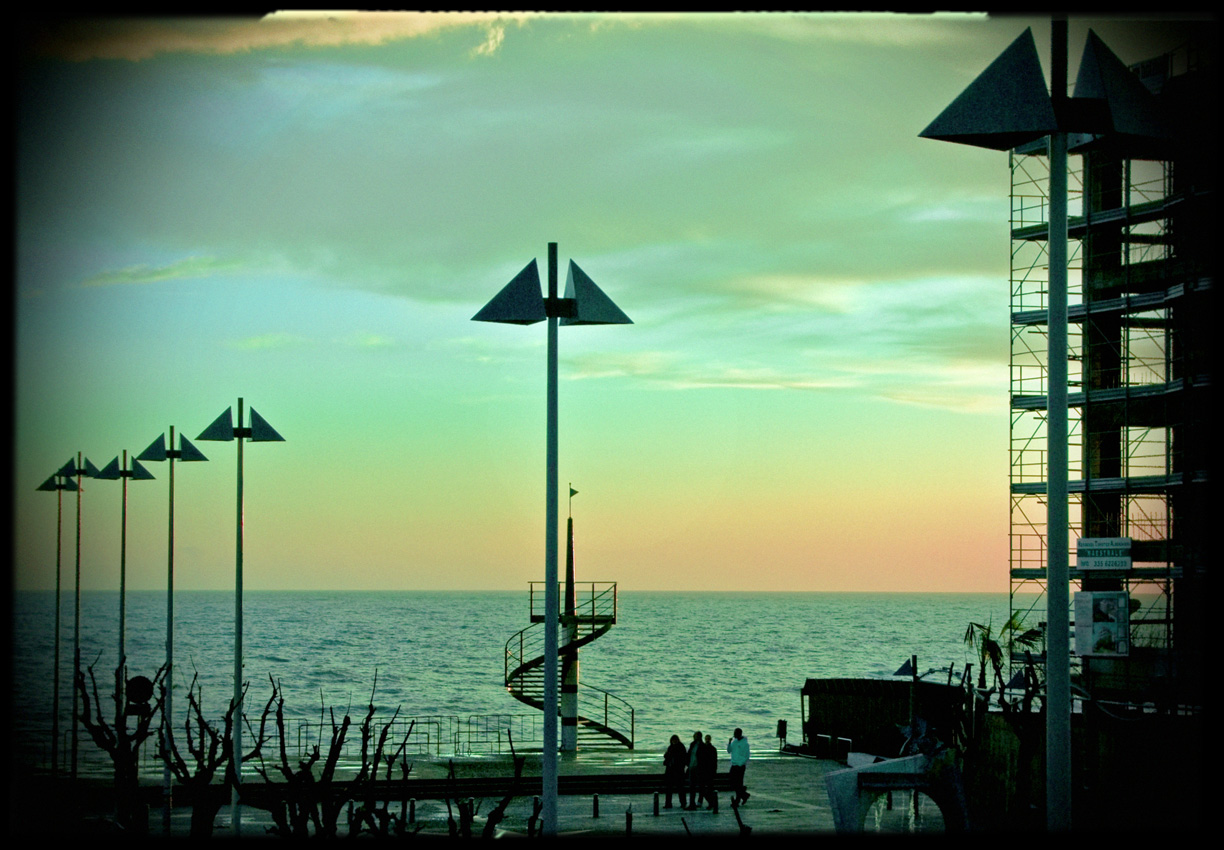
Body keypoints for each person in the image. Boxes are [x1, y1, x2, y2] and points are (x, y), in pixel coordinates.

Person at [663, 734, 688, 809]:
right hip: (671, 770)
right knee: (669, 788)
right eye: (673, 740)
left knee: (680, 788)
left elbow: (682, 758)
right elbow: (666, 755)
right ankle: (668, 803)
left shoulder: (680, 747)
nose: (674, 741)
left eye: (675, 740)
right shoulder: (671, 747)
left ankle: (683, 803)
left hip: (678, 770)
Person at [727, 727, 750, 806]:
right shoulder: (734, 742)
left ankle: (737, 800)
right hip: (734, 764)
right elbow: (729, 750)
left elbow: (746, 756)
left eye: (735, 733)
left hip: (740, 766)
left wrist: (740, 763)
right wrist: (729, 743)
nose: (734, 734)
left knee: (739, 783)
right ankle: (744, 795)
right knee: (733, 782)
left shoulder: (745, 743)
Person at [698, 733, 719, 813]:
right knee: (703, 788)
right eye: (706, 738)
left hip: (709, 771)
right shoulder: (703, 748)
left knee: (709, 789)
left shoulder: (712, 749)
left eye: (708, 738)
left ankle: (710, 803)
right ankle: (709, 802)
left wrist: (714, 770)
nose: (707, 740)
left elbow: (714, 761)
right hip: (704, 771)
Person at [685, 731, 703, 810]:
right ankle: (692, 804)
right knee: (692, 786)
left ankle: (711, 801)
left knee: (700, 786)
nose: (695, 737)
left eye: (696, 736)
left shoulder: (702, 746)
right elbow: (689, 754)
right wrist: (688, 764)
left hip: (698, 767)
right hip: (691, 767)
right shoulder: (692, 744)